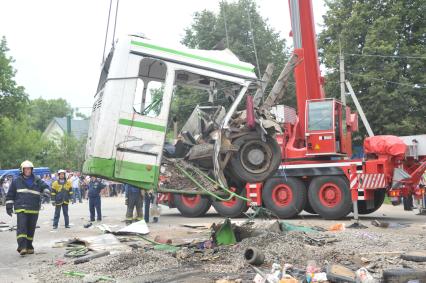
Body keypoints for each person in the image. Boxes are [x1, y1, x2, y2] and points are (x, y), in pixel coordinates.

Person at [5, 160, 50, 255]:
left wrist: (46, 191)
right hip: (21, 208)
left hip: (33, 208)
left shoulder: (37, 180)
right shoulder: (16, 181)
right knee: (22, 228)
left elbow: (45, 186)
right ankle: (22, 247)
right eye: (26, 169)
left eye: (29, 169)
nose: (28, 170)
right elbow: (10, 195)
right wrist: (9, 206)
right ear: (22, 170)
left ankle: (29, 246)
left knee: (31, 228)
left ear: (32, 169)